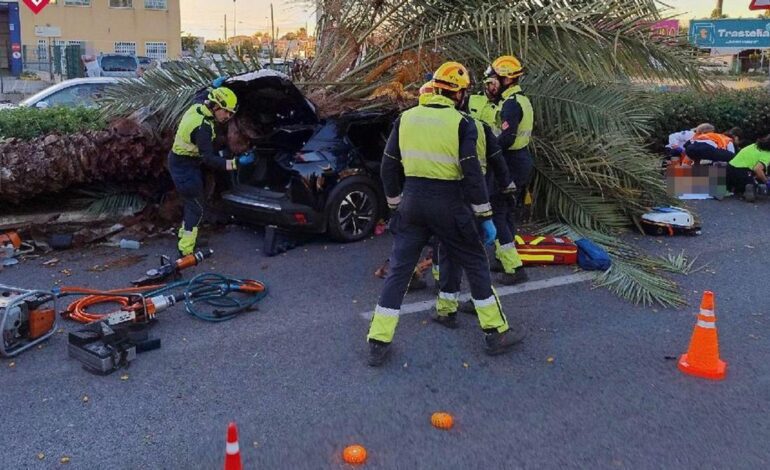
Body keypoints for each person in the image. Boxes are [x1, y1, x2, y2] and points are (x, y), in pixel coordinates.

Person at [366, 62, 526, 366]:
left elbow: (388, 166)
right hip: (450, 205)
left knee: (399, 270)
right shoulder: (462, 123)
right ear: (459, 94)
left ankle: (378, 340)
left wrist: (396, 206)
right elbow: (471, 173)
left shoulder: (406, 119)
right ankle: (496, 333)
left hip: (412, 203)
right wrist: (485, 217)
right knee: (476, 264)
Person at [168, 87, 254, 255]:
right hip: (185, 168)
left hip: (180, 162)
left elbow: (199, 94)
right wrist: (236, 163)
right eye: (226, 112)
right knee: (196, 207)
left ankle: (185, 236)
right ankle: (185, 249)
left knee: (192, 203)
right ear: (216, 107)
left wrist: (214, 86)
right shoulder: (202, 128)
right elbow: (209, 159)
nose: (228, 117)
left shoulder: (198, 107)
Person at [482, 55, 534, 284]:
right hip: (518, 161)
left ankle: (514, 268)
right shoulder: (518, 99)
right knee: (506, 212)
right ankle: (503, 259)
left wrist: (487, 149)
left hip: (510, 162)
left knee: (499, 213)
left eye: (494, 78)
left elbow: (507, 138)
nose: (491, 82)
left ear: (505, 78)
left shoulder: (511, 104)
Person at [726, 134, 770, 202]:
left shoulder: (754, 145)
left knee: (730, 185)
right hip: (742, 172)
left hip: (729, 168)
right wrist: (766, 181)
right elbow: (757, 169)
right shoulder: (767, 154)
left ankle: (731, 188)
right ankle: (747, 188)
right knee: (752, 184)